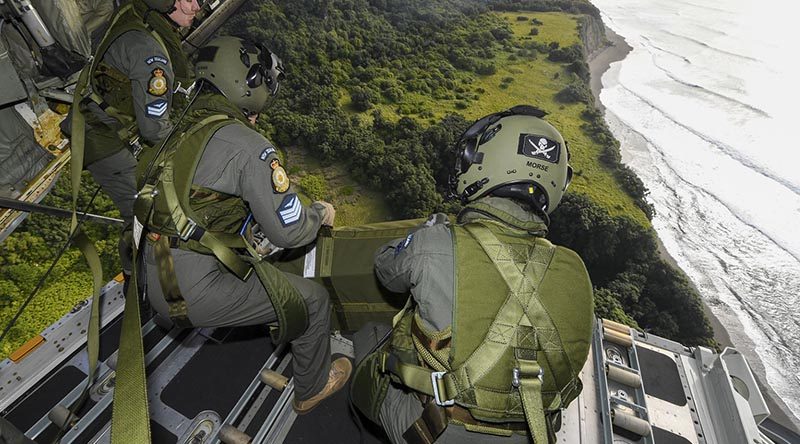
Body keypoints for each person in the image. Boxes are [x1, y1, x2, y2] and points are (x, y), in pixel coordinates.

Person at [351, 106, 595, 443]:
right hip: (532, 434)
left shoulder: (437, 242)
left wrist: (426, 233)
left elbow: (386, 270)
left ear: (485, 163)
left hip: (439, 430)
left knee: (367, 340)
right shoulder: (575, 270)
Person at [134, 36, 349, 414]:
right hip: (188, 296)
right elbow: (291, 230)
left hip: (153, 274)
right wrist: (320, 213)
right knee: (314, 302)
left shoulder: (176, 128)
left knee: (257, 263)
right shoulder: (247, 145)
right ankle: (311, 388)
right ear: (245, 82)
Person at [68, 0, 200, 277]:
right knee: (150, 214)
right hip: (103, 139)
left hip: (108, 129)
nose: (197, 7)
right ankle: (137, 281)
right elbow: (154, 130)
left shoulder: (138, 18)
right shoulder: (150, 50)